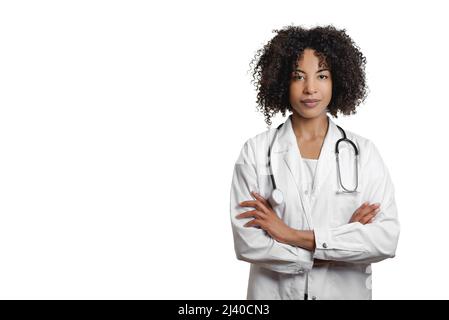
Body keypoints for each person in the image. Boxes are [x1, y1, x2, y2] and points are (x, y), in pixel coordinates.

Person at [229, 25, 400, 300]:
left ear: (337, 81)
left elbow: (385, 240)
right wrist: (343, 240)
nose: (310, 89)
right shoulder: (255, 151)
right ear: (283, 81)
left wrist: (288, 234)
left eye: (322, 76)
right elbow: (248, 245)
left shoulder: (364, 154)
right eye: (299, 77)